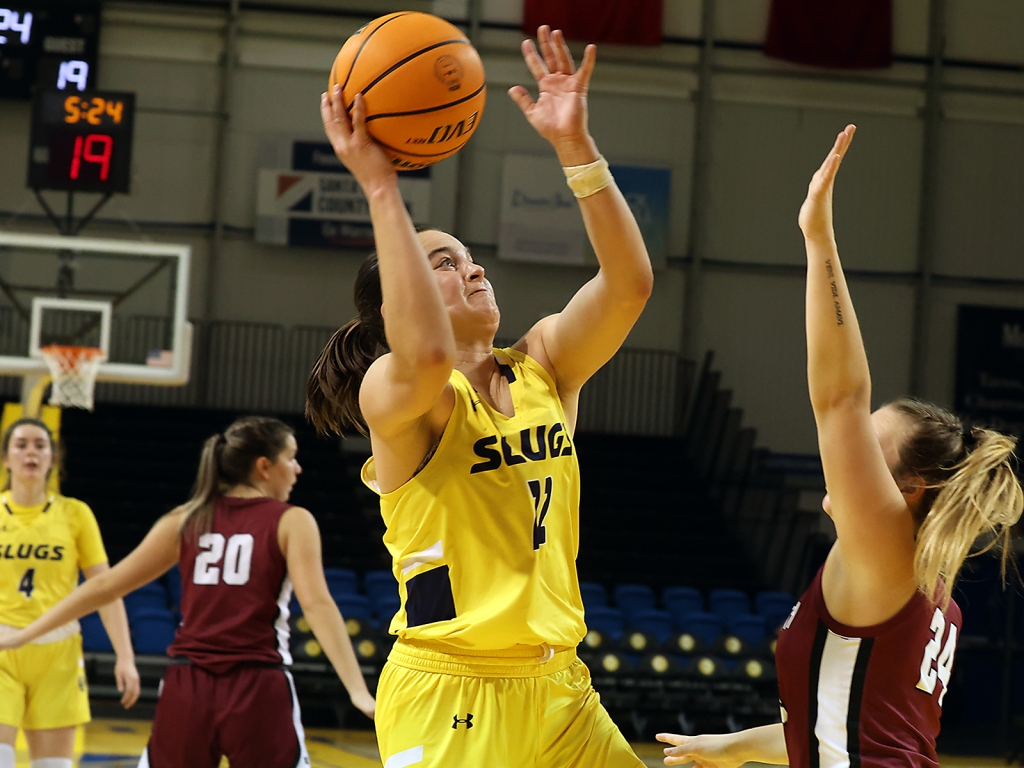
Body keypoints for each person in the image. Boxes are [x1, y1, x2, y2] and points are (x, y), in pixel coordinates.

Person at [306, 24, 653, 768]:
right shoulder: (397, 396)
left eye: (469, 258)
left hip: (560, 687)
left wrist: (574, 148)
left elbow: (629, 285)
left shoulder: (545, 365)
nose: (473, 270)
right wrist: (378, 184)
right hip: (451, 690)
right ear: (393, 310)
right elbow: (427, 351)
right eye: (443, 262)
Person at [657, 127, 1023, 767]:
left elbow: (839, 398)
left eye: (870, 449)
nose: (845, 453)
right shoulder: (933, 590)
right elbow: (845, 728)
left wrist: (818, 239)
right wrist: (736, 746)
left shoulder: (885, 545)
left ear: (908, 491)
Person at [0, 415, 375, 768]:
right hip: (258, 683)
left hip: (187, 685)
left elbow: (104, 586)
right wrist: (357, 691)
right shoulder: (292, 520)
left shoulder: (186, 517)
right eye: (291, 458)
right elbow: (317, 604)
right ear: (264, 466)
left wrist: (25, 635)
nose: (297, 469)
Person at [0, 417, 140, 768]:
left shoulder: (75, 514)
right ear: (6, 458)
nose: (30, 452)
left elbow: (105, 589)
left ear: (53, 457)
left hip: (57, 655)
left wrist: (125, 655)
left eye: (40, 445)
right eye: (21, 445)